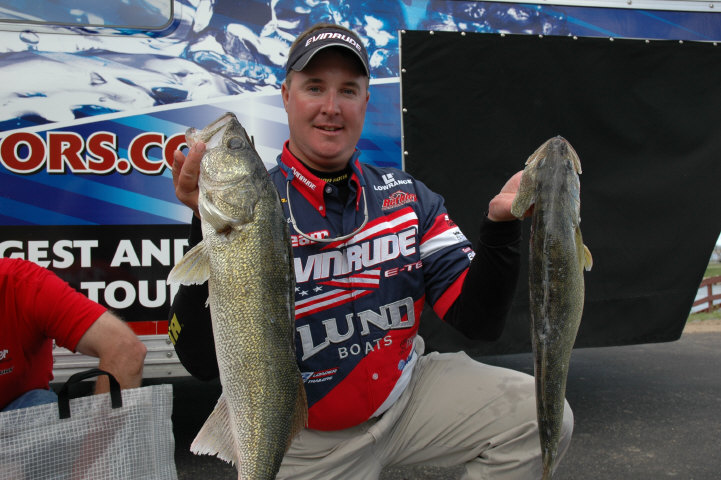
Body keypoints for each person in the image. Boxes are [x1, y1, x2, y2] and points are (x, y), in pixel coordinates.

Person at [169, 22, 573, 479]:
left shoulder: (408, 197)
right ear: (286, 96)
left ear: (365, 101)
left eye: (348, 90)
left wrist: (500, 227)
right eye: (314, 87)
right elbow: (200, 362)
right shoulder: (255, 206)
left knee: (541, 419)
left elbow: (478, 322)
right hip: (306, 441)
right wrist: (205, 226)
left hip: (406, 400)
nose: (331, 107)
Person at [0, 257, 147, 411]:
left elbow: (124, 347)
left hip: (19, 413)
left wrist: (101, 426)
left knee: (40, 405)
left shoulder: (24, 284)